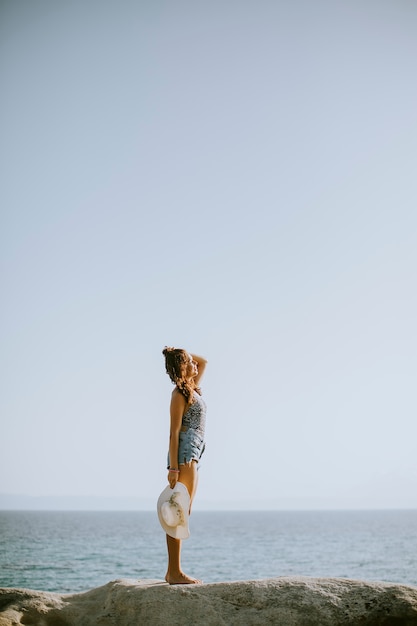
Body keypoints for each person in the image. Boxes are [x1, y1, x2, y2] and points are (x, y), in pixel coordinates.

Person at [162, 347, 207, 584]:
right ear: (181, 367)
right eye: (189, 363)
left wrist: (180, 354)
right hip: (184, 453)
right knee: (178, 510)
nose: (195, 365)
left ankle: (173, 571)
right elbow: (174, 432)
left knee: (183, 510)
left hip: (195, 451)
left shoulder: (191, 388)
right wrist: (173, 468)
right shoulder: (179, 394)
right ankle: (174, 572)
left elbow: (204, 361)